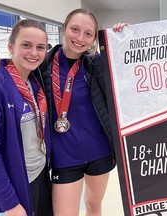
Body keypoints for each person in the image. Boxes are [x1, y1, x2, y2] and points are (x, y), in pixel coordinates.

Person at [38, 9, 127, 216]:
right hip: (64, 156)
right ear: (64, 29)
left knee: (94, 205)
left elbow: (127, 70)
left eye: (88, 33)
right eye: (75, 29)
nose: (80, 38)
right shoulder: (43, 66)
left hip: (100, 151)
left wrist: (124, 39)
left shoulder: (96, 64)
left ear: (94, 38)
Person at [0, 19, 52, 216]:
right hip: (16, 184)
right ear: (10, 46)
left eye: (40, 47)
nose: (34, 53)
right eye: (26, 45)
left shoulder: (35, 82)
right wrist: (9, 204)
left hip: (40, 175)